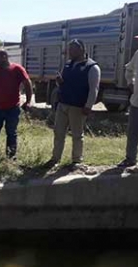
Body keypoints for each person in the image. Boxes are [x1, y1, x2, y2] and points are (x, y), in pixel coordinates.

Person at [47, 39, 101, 170]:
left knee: (77, 135)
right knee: (58, 133)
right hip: (63, 104)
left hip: (78, 106)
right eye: (69, 49)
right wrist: (59, 81)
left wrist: (88, 105)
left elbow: (94, 89)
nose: (69, 52)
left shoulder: (92, 67)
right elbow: (63, 84)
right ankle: (55, 159)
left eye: (72, 49)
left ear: (81, 50)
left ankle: (76, 161)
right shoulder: (68, 64)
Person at [0, 49, 33, 163]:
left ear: (4, 57)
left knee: (11, 133)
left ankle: (11, 158)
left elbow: (28, 84)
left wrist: (28, 101)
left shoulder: (17, 69)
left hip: (12, 109)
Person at [118, 29, 138, 171]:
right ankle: (130, 159)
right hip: (136, 102)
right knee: (132, 133)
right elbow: (128, 69)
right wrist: (130, 83)